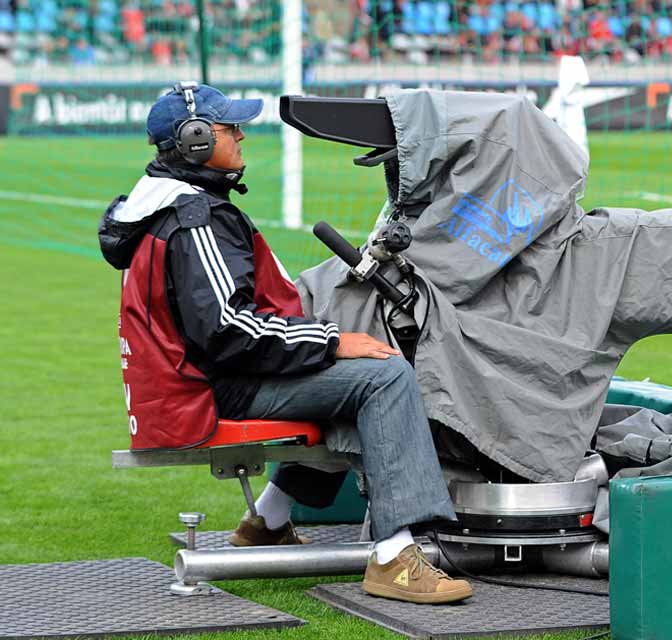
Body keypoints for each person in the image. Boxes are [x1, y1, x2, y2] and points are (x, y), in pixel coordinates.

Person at [97, 83, 472, 605]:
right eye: (230, 128)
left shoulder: (170, 206)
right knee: (384, 377)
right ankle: (394, 556)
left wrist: (327, 342)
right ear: (197, 141)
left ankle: (268, 521)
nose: (242, 134)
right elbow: (228, 330)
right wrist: (331, 340)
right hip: (214, 388)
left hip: (202, 380)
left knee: (355, 370)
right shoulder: (197, 217)